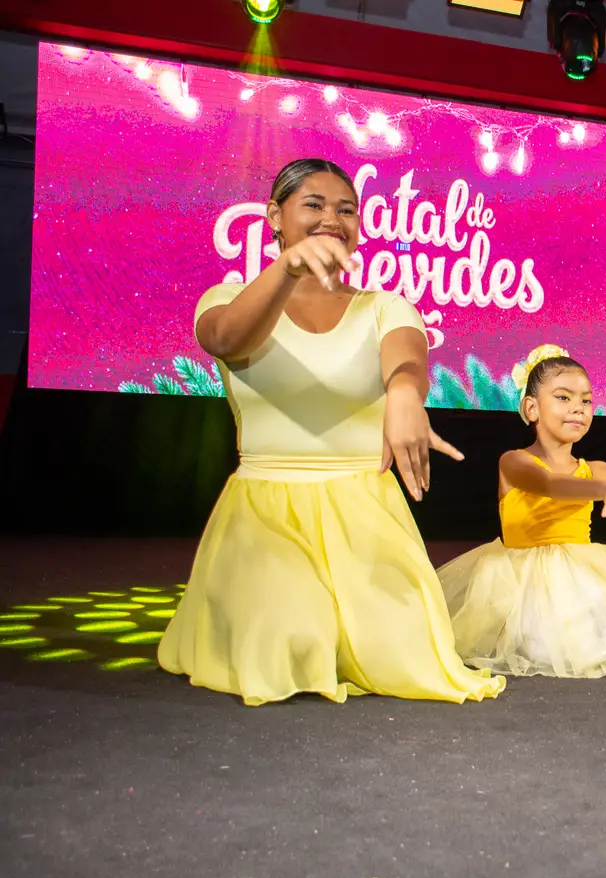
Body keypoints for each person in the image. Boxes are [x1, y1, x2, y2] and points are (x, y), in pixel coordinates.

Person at [157, 158, 505, 706]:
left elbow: (407, 361)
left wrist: (404, 394)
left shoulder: (383, 307)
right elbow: (224, 339)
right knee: (293, 642)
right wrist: (288, 267)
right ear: (275, 216)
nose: (332, 220)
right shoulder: (226, 298)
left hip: (364, 508)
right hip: (266, 510)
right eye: (313, 205)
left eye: (346, 210)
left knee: (402, 655)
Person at [437, 346, 606, 678]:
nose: (578, 408)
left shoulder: (590, 468)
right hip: (520, 578)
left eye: (586, 400)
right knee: (546, 642)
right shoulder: (514, 461)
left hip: (579, 571)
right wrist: (603, 490)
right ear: (532, 408)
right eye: (563, 398)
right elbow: (549, 484)